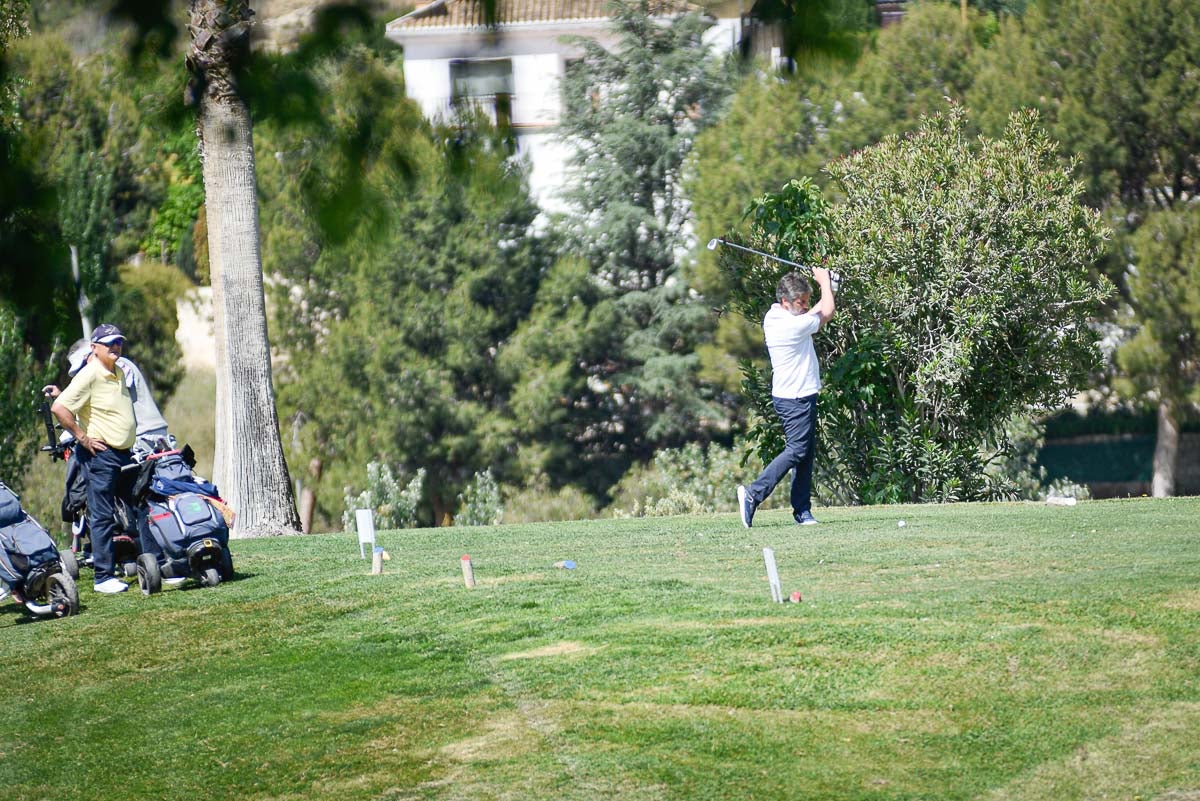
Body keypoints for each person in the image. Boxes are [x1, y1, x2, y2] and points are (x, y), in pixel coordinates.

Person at [737, 267, 836, 528]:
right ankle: (753, 493)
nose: (804, 307)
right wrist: (825, 282)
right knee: (798, 450)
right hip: (795, 398)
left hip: (798, 395)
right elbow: (826, 312)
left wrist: (830, 287)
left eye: (805, 301)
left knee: (806, 453)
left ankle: (802, 511)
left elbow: (815, 312)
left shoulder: (777, 315)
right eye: (800, 302)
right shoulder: (791, 325)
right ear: (785, 302)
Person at [50, 323, 139, 594]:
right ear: (95, 347)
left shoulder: (119, 372)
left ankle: (154, 562)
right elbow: (60, 407)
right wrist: (82, 437)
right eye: (109, 342)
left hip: (123, 453)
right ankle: (103, 577)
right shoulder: (89, 374)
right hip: (101, 455)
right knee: (102, 516)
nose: (115, 346)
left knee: (140, 504)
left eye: (118, 342)